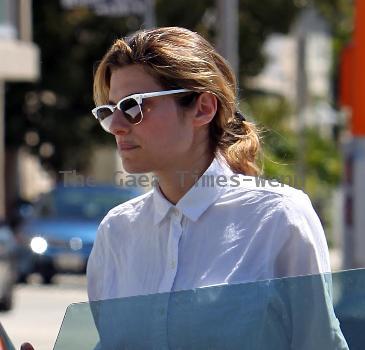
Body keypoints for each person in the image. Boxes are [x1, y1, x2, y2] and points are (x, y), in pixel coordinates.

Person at [21, 26, 348, 349]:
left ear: (203, 108)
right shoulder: (117, 231)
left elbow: (319, 342)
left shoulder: (279, 217)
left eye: (133, 106)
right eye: (108, 111)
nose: (117, 127)